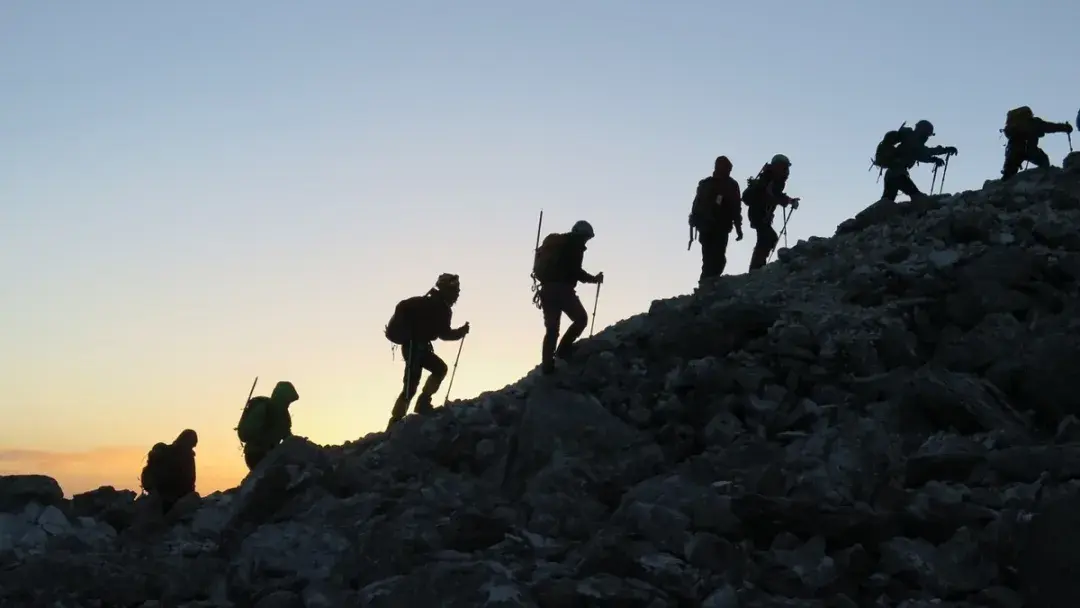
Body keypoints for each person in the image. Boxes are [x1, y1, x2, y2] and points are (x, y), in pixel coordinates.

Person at [384, 273, 470, 427]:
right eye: (454, 291)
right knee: (412, 384)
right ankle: (396, 420)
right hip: (414, 348)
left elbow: (443, 333)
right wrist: (460, 332)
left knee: (439, 369)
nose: (457, 294)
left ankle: (420, 405)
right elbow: (444, 334)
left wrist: (460, 332)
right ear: (446, 290)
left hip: (418, 348)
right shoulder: (432, 305)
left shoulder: (438, 307)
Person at [532, 220, 604, 375]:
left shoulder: (559, 243)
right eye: (586, 237)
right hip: (563, 290)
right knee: (581, 319)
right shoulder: (574, 246)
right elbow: (576, 272)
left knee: (552, 329)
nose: (586, 241)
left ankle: (547, 367)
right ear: (581, 235)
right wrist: (594, 279)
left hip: (546, 290)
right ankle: (562, 351)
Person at [689, 155, 744, 284]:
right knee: (716, 259)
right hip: (718, 227)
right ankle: (708, 286)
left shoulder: (705, 183)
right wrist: (738, 229)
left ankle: (705, 286)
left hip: (706, 227)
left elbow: (696, 205)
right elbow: (736, 208)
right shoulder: (730, 185)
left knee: (709, 259)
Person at [874, 119, 957, 202]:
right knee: (917, 197)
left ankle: (874, 214)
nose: (927, 137)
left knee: (887, 200)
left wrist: (934, 159)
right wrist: (945, 150)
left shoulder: (909, 138)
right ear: (923, 132)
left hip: (892, 174)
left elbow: (919, 155)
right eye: (927, 135)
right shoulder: (913, 140)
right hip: (898, 175)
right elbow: (924, 152)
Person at [743, 154, 800, 271]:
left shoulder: (771, 178)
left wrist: (787, 201)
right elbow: (773, 195)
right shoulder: (771, 179)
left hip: (759, 213)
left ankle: (757, 267)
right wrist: (788, 201)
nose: (787, 171)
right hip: (760, 214)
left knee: (767, 237)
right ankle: (756, 268)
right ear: (778, 166)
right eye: (785, 168)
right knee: (767, 237)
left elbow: (774, 195)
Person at [236, 381, 299, 471]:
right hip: (257, 454)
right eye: (288, 400)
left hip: (267, 453)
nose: (288, 404)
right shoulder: (265, 409)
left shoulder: (282, 413)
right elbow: (252, 432)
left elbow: (287, 436)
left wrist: (299, 444)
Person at [1000, 106, 1073, 180]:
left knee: (1008, 173)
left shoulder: (1014, 126)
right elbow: (1050, 127)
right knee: (1044, 161)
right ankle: (1043, 179)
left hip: (1013, 151)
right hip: (1030, 149)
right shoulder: (1034, 122)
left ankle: (1003, 184)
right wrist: (1064, 127)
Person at [138, 429, 197, 514]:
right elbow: (188, 478)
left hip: (165, 495)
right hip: (171, 496)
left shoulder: (170, 452)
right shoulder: (183, 455)